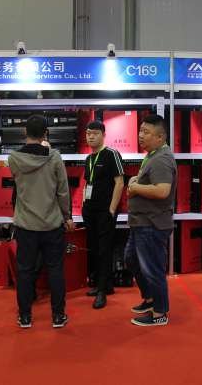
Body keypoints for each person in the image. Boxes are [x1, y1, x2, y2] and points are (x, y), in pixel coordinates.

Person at [9, 115, 75, 329]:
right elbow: (63, 191)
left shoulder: (14, 159)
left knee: (25, 271)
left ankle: (25, 316)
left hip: (25, 224)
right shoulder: (54, 157)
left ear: (24, 132)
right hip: (52, 223)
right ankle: (58, 315)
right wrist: (67, 216)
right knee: (55, 269)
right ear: (46, 133)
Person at [125, 114, 177, 326]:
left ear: (160, 137)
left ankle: (160, 312)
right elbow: (150, 181)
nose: (140, 135)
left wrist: (136, 187)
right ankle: (150, 299)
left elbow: (162, 190)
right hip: (141, 222)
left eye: (146, 132)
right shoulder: (152, 155)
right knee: (131, 259)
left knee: (152, 269)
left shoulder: (161, 160)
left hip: (152, 224)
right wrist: (136, 180)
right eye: (140, 130)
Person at [82, 120, 125, 309]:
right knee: (94, 248)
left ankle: (101, 291)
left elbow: (120, 182)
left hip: (105, 211)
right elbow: (87, 183)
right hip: (90, 210)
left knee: (104, 249)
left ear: (103, 135)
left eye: (95, 133)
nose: (91, 137)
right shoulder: (89, 159)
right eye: (88, 133)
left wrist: (112, 209)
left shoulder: (111, 154)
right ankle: (106, 285)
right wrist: (83, 204)